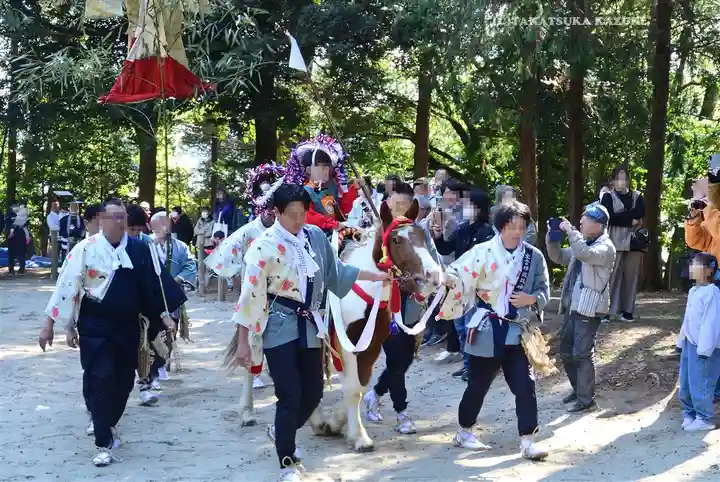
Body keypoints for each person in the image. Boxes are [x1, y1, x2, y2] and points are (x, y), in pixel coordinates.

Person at [232, 184, 388, 481]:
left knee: (314, 390)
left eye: (304, 213)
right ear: (276, 212)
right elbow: (249, 297)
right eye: (292, 214)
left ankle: (282, 430)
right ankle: (288, 459)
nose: (299, 220)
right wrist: (243, 343)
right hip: (278, 324)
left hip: (311, 324)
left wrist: (375, 274)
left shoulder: (315, 237)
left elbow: (337, 272)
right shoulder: (262, 247)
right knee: (289, 394)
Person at [37, 199, 186, 467]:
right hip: (95, 324)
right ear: (102, 220)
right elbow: (67, 286)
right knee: (100, 376)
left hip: (128, 325)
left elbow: (153, 286)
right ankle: (102, 441)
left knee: (123, 382)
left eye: (122, 217)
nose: (119, 222)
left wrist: (164, 316)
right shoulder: (85, 249)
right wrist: (53, 324)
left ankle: (107, 421)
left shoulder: (141, 249)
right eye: (113, 217)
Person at [438, 201, 550, 460]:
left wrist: (531, 299)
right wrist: (444, 279)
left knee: (525, 385)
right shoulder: (482, 252)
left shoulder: (534, 256)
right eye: (512, 226)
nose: (517, 231)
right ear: (501, 227)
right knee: (477, 385)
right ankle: (464, 430)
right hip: (487, 328)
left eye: (522, 226)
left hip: (518, 331)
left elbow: (544, 289)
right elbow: (456, 274)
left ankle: (528, 439)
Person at [362, 182, 442, 435]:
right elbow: (372, 262)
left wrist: (434, 280)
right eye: (394, 204)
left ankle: (375, 393)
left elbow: (432, 260)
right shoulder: (378, 229)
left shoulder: (418, 231)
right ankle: (401, 412)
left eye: (404, 205)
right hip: (384, 301)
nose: (399, 208)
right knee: (396, 356)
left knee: (406, 358)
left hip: (413, 300)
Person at [546, 205, 616, 413]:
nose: (581, 222)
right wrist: (553, 238)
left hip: (589, 307)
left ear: (599, 224)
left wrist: (570, 231)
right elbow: (559, 257)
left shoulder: (606, 247)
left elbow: (584, 254)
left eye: (585, 219)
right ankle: (579, 391)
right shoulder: (582, 243)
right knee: (567, 351)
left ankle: (587, 400)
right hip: (572, 306)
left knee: (582, 353)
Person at [433, 189, 495, 380]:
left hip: (475, 288)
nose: (464, 208)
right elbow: (446, 248)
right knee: (460, 327)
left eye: (468, 205)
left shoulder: (486, 232)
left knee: (471, 328)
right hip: (458, 285)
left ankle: (476, 368)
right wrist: (437, 236)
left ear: (478, 208)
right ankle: (467, 364)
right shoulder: (462, 229)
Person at [676, 252, 720, 432]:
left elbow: (712, 322)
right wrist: (681, 341)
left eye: (696, 265)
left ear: (709, 270)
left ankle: (705, 418)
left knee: (701, 381)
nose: (691, 268)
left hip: (705, 348)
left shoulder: (713, 292)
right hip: (690, 343)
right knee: (686, 380)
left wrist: (705, 349)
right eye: (691, 264)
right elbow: (687, 319)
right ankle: (690, 412)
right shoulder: (693, 291)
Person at [284, 135, 358, 234]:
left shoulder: (328, 189)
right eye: (322, 168)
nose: (326, 172)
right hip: (314, 238)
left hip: (333, 235)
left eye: (327, 168)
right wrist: (332, 224)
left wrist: (354, 189)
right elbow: (309, 218)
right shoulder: (304, 192)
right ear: (309, 170)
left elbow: (342, 210)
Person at [601, 165, 646, 322]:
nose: (622, 181)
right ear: (613, 181)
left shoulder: (637, 196)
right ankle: (606, 311)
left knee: (631, 277)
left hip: (634, 243)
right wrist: (630, 219)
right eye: (619, 178)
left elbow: (640, 212)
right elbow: (609, 217)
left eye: (625, 177)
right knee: (611, 277)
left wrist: (622, 217)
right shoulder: (608, 197)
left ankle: (627, 311)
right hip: (614, 241)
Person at [7, 202, 30, 275]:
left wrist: (27, 237)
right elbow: (8, 226)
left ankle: (21, 270)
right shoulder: (9, 216)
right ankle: (11, 270)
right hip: (12, 238)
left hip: (20, 236)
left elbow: (25, 227)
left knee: (21, 253)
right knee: (11, 254)